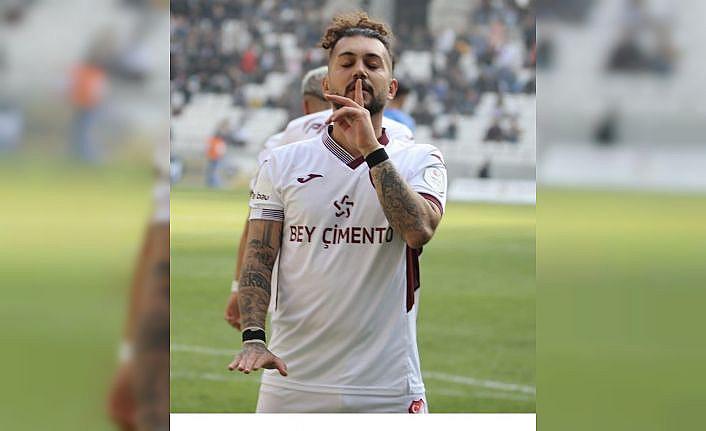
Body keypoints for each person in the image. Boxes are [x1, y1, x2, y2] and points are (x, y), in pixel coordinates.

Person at [227, 11, 447, 413]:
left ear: (391, 86)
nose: (359, 71)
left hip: (387, 387)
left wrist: (371, 149)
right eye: (347, 62)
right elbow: (260, 257)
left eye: (372, 63)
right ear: (327, 84)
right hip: (292, 380)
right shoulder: (283, 162)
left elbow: (418, 230)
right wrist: (254, 337)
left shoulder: (420, 159)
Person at [224, 65, 416, 330]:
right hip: (374, 300)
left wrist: (238, 287)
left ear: (307, 104)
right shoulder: (398, 131)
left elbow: (255, 223)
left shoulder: (286, 139)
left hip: (299, 298)